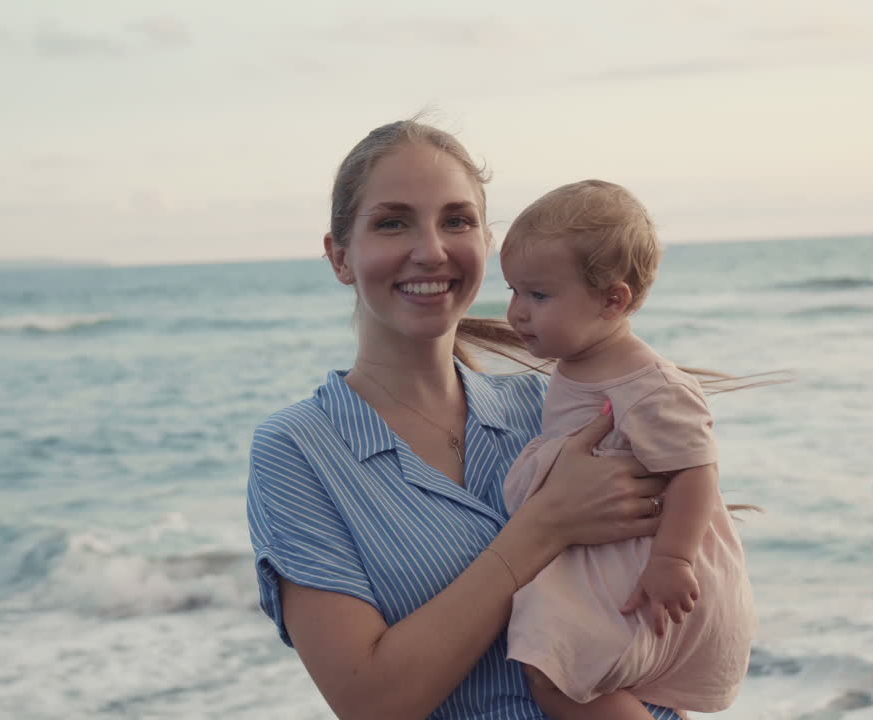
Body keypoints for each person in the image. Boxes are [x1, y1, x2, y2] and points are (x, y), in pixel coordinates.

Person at [246, 119, 683, 719]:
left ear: (487, 242)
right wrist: (544, 528)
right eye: (393, 222)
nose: (432, 250)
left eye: (457, 221)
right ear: (340, 256)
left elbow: (663, 624)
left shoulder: (555, 407)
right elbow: (371, 702)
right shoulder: (299, 450)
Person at [498, 180, 758, 717]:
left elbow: (697, 472)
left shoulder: (649, 385)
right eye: (514, 291)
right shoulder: (580, 364)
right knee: (554, 666)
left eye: (538, 295)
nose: (516, 312)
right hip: (606, 553)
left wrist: (672, 559)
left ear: (612, 300)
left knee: (555, 672)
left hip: (646, 565)